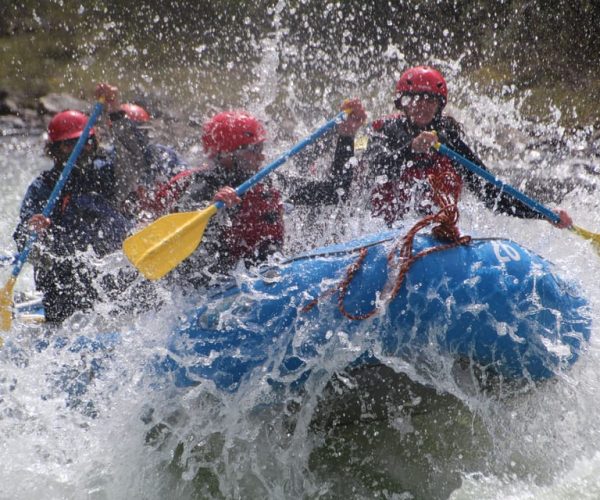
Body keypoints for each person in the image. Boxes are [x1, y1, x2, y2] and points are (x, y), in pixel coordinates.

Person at [309, 66, 573, 229]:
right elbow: (378, 167)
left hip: (436, 235)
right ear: (402, 103)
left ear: (439, 104)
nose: (421, 105)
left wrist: (543, 212)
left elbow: (491, 192)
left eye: (429, 99)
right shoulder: (384, 132)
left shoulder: (450, 139)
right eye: (414, 99)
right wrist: (412, 149)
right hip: (384, 232)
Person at [13, 110, 131, 323]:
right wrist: (34, 232)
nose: (79, 150)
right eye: (69, 145)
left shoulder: (109, 176)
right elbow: (24, 245)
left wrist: (116, 112)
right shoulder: (43, 188)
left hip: (112, 286)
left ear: (94, 142)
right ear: (55, 151)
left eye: (85, 141)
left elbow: (135, 156)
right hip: (64, 294)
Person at [157, 110, 285, 289]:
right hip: (211, 282)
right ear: (226, 154)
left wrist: (340, 138)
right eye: (253, 150)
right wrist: (212, 207)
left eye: (261, 149)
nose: (261, 156)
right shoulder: (202, 184)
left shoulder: (269, 181)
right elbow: (182, 229)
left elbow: (332, 189)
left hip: (262, 271)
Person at [94, 83, 188, 221]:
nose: (138, 138)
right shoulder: (107, 162)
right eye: (135, 132)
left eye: (142, 132)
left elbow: (185, 180)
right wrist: (114, 108)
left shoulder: (166, 156)